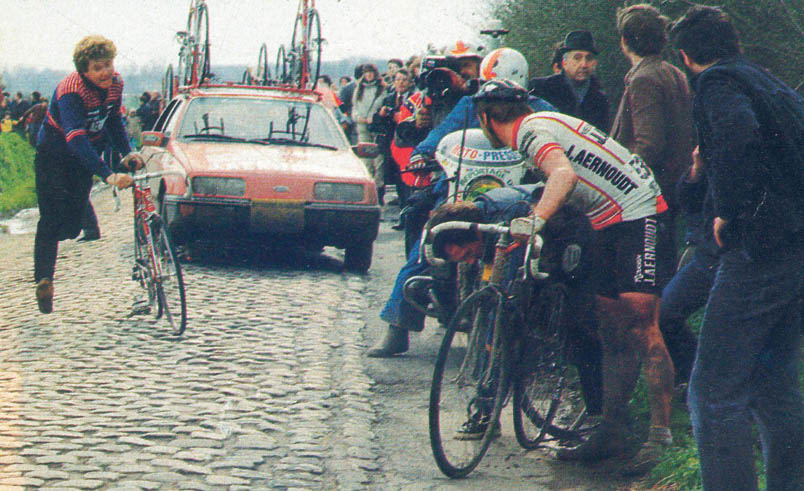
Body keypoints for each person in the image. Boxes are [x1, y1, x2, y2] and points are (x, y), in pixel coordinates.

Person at [472, 79, 676, 472]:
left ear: (485, 118)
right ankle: (613, 430)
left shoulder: (531, 132)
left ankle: (659, 437)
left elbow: (562, 176)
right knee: (610, 328)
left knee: (641, 327)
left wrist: (535, 221)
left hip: (639, 214)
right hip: (607, 219)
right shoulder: (542, 121)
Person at [670, 6, 804, 490]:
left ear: (685, 57)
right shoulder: (768, 82)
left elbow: (738, 132)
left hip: (759, 252)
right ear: (735, 43)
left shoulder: (717, 83)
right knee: (774, 387)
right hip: (796, 249)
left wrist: (730, 209)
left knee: (712, 394)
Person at [368, 48, 556, 358]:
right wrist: (423, 153)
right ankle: (398, 326)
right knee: (428, 240)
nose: (493, 102)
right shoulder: (471, 105)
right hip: (464, 188)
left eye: (503, 95)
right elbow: (443, 132)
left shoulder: (541, 110)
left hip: (512, 193)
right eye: (489, 90)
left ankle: (514, 339)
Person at [421, 184, 605, 433]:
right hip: (524, 244)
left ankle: (598, 413)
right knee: (494, 313)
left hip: (569, 238)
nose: (470, 260)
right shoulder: (476, 225)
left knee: (578, 324)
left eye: (467, 254)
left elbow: (512, 275)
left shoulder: (511, 214)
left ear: (475, 238)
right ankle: (486, 410)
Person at [33, 35, 143, 314]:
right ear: (84, 71)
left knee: (71, 227)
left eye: (107, 64)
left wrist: (127, 152)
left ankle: (61, 237)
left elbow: (114, 121)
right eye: (97, 68)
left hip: (85, 156)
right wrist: (107, 175)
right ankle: (44, 280)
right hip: (55, 155)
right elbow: (75, 137)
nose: (105, 72)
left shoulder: (116, 83)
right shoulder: (70, 90)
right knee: (50, 218)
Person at [611, 4, 695, 214]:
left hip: (651, 196)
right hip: (676, 186)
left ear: (624, 41)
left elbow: (648, 146)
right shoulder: (674, 72)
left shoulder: (643, 79)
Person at [528, 30, 610, 131]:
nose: (584, 64)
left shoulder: (600, 99)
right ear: (564, 63)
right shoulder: (541, 88)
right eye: (577, 58)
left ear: (594, 63)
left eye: (589, 58)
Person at [351, 63, 387, 202]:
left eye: (371, 72)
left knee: (379, 160)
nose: (369, 75)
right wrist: (357, 117)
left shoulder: (381, 88)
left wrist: (373, 116)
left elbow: (381, 104)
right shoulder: (359, 89)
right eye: (366, 73)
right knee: (366, 159)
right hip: (362, 126)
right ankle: (368, 188)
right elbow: (354, 107)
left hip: (376, 125)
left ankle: (379, 188)